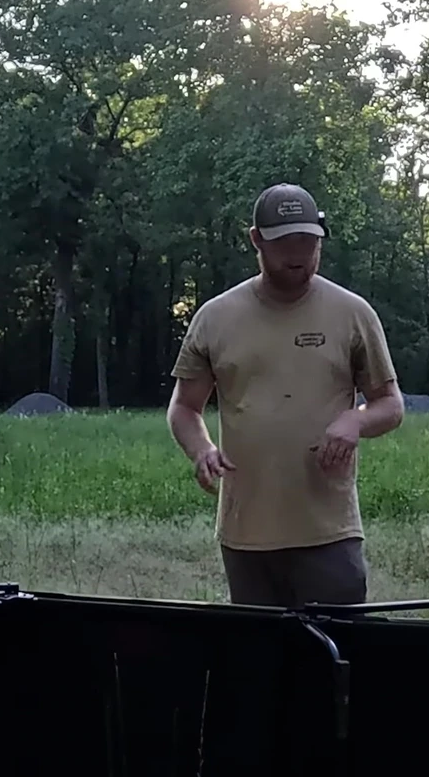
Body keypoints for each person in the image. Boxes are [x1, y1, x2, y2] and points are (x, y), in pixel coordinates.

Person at [166, 183, 405, 606]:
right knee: (258, 659)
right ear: (256, 239)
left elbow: (390, 404)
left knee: (337, 654)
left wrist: (355, 420)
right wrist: (201, 449)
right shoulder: (216, 318)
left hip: (328, 528)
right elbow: (185, 408)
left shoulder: (352, 313)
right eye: (285, 242)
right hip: (247, 531)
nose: (298, 253)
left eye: (309, 241)